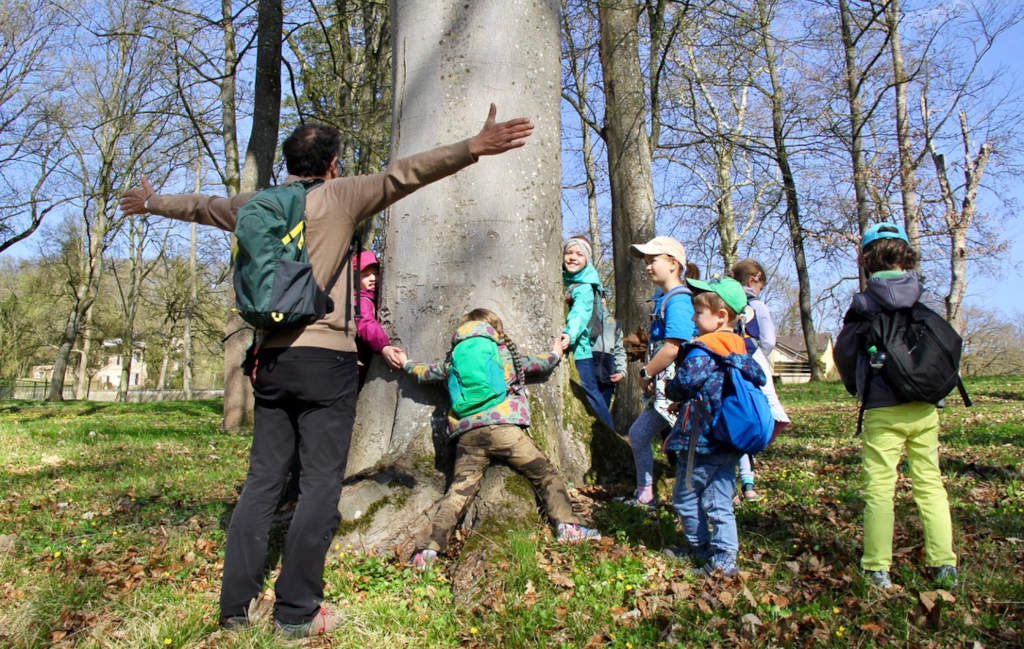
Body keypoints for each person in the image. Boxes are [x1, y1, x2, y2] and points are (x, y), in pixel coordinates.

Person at [119, 104, 534, 638]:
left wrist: (151, 203)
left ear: (288, 162)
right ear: (333, 164)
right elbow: (404, 174)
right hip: (327, 360)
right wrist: (472, 147)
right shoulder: (341, 196)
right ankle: (296, 612)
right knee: (319, 484)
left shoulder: (256, 204)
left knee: (262, 483)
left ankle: (234, 610)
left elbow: (204, 206)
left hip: (270, 360)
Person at [395, 308, 600, 569]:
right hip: (504, 430)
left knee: (457, 494)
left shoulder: (455, 357)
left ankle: (428, 551)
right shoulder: (502, 353)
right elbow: (538, 364)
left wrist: (405, 363)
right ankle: (568, 526)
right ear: (496, 330)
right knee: (544, 472)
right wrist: (556, 353)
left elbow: (426, 373)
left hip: (468, 435)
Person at [833, 223, 958, 590]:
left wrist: (857, 386)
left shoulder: (863, 305)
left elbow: (844, 352)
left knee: (880, 489)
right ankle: (944, 564)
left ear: (868, 261)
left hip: (883, 408)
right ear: (906, 257)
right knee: (931, 485)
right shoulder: (925, 300)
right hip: (923, 405)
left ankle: (876, 569)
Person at [663, 277, 763, 577]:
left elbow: (685, 383)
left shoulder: (704, 350)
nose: (693, 318)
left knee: (684, 496)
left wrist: (671, 389)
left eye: (698, 313)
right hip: (730, 437)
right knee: (719, 499)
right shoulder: (741, 348)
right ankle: (724, 560)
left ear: (721, 316)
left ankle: (701, 549)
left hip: (702, 439)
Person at [624, 236, 695, 510]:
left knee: (681, 448)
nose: (647, 267)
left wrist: (645, 372)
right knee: (642, 434)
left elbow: (673, 347)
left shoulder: (678, 301)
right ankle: (646, 495)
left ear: (673, 264)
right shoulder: (663, 299)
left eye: (653, 261)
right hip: (665, 390)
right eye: (646, 262)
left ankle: (690, 504)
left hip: (678, 392)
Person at [730, 258, 791, 503]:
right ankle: (748, 483)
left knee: (734, 419)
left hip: (730, 366)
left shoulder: (727, 302)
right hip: (753, 364)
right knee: (757, 418)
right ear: (754, 278)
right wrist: (758, 358)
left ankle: (734, 485)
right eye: (761, 285)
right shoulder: (758, 306)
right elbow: (768, 340)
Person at [561, 236, 616, 432]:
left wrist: (569, 334)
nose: (573, 257)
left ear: (587, 260)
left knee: (591, 393)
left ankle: (609, 434)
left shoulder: (584, 286)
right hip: (575, 347)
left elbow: (580, 314)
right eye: (569, 253)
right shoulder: (564, 279)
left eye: (579, 254)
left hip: (580, 350)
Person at [354, 250, 402, 388]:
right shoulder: (361, 300)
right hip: (357, 364)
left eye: (375, 273)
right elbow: (366, 323)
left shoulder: (372, 298)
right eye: (365, 275)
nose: (373, 278)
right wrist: (383, 346)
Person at [593, 297, 626, 409]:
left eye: (602, 297)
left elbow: (619, 348)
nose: (600, 301)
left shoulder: (614, 323)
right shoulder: (585, 318)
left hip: (608, 374)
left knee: (603, 411)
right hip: (589, 369)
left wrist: (621, 370)